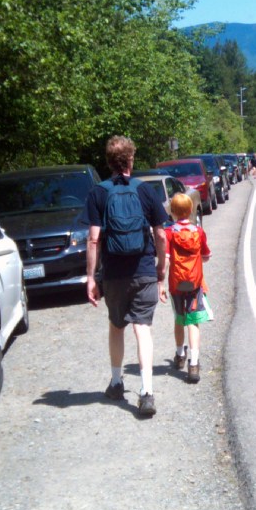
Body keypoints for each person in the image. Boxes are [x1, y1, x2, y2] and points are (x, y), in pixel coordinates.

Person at [86, 135, 169, 417]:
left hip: (114, 274)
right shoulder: (145, 191)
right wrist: (161, 269)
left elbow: (94, 240)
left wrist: (91, 278)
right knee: (142, 329)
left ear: (109, 162)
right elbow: (160, 233)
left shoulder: (99, 193)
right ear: (131, 159)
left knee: (117, 326)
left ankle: (117, 382)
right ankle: (146, 392)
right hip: (144, 269)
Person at [166, 192, 211, 383]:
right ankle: (194, 364)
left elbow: (166, 258)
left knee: (179, 318)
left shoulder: (169, 233)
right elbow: (206, 255)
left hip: (176, 282)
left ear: (173, 212)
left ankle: (179, 355)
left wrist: (160, 279)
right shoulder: (198, 231)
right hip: (194, 282)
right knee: (193, 321)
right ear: (191, 209)